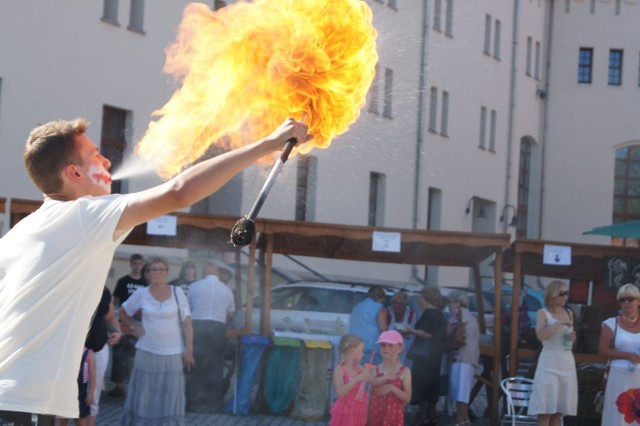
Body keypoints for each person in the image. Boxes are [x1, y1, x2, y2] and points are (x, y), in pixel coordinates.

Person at [0, 117, 310, 423]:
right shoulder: (85, 214)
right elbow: (179, 191)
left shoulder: (19, 232)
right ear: (74, 171)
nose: (107, 161)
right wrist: (270, 143)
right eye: (96, 153)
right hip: (25, 402)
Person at [118, 257, 194, 425]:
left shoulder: (177, 292)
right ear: (147, 274)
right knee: (146, 392)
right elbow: (123, 312)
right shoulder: (141, 293)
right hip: (147, 351)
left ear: (167, 272)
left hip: (172, 352)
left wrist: (188, 350)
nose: (158, 272)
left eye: (162, 269)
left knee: (170, 393)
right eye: (154, 269)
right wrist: (133, 327)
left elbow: (187, 322)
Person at [185, 261, 236, 413]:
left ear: (204, 273)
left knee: (195, 364)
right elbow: (231, 313)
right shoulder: (227, 290)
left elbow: (187, 308)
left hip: (198, 326)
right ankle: (214, 403)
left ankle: (191, 402)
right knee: (215, 366)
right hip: (218, 329)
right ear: (218, 274)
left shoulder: (195, 286)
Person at [528, 280, 577, 426]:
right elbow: (541, 336)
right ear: (552, 294)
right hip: (549, 362)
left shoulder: (569, 313)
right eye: (561, 293)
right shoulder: (542, 313)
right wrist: (558, 323)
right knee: (545, 410)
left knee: (558, 413)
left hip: (566, 361)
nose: (565, 297)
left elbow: (568, 343)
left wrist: (571, 339)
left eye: (566, 293)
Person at [598, 283, 640, 426]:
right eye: (623, 300)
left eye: (630, 299)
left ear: (638, 301)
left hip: (639, 375)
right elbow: (602, 350)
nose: (627, 303)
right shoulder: (611, 324)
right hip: (618, 374)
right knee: (617, 414)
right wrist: (626, 355)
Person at [109, 253, 148, 397]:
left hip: (141, 324)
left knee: (138, 355)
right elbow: (115, 301)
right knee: (119, 352)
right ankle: (119, 385)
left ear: (143, 265)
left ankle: (136, 386)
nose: (137, 266)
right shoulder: (123, 281)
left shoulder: (146, 283)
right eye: (135, 263)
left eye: (140, 264)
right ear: (131, 264)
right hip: (124, 322)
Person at [85, 287, 122, 426]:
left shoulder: (102, 288)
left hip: (98, 349)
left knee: (92, 396)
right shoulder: (70, 280)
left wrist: (116, 332)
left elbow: (110, 316)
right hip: (71, 352)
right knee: (65, 396)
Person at [409, 286, 446, 426]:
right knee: (432, 383)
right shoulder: (439, 314)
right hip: (435, 353)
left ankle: (423, 416)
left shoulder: (428, 313)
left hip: (424, 354)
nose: (419, 300)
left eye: (421, 297)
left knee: (422, 383)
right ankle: (432, 415)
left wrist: (411, 330)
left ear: (426, 298)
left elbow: (426, 334)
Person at [446, 290, 480, 426]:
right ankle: (465, 419)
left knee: (459, 390)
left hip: (460, 356)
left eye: (450, 302)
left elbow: (448, 331)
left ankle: (459, 420)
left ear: (457, 302)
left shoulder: (456, 313)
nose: (449, 305)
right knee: (464, 390)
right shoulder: (471, 316)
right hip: (470, 356)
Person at [368, 330, 412, 426]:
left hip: (394, 417)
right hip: (375, 415)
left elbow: (407, 398)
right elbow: (368, 397)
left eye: (391, 345)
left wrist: (392, 388)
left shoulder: (404, 371)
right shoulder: (374, 370)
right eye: (383, 345)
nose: (386, 348)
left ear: (400, 348)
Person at [329, 334, 370, 426]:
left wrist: (375, 373)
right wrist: (357, 379)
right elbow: (340, 392)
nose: (363, 354)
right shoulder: (339, 370)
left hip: (359, 409)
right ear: (351, 350)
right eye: (361, 350)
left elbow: (371, 380)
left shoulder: (359, 368)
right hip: (345, 410)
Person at [58, 346, 96, 426]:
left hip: (81, 392)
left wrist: (91, 393)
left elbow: (92, 374)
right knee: (62, 420)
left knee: (81, 420)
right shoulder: (65, 350)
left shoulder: (88, 353)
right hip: (66, 391)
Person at [348, 286, 387, 364]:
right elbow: (383, 329)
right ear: (381, 298)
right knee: (369, 373)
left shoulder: (357, 306)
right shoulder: (379, 307)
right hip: (370, 346)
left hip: (352, 344)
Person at [385, 290, 416, 364]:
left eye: (401, 304)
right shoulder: (387, 312)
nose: (397, 305)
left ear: (405, 305)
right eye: (395, 302)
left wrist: (407, 332)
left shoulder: (411, 314)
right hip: (388, 345)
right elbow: (383, 330)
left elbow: (413, 331)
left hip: (404, 346)